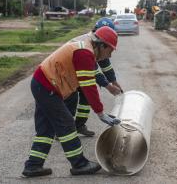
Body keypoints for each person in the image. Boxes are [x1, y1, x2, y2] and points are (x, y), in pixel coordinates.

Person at [22, 26, 121, 177]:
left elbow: (92, 77)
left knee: (46, 128)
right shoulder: (84, 53)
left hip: (42, 83)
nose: (110, 55)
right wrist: (100, 113)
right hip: (48, 86)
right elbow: (88, 87)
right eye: (110, 51)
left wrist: (108, 85)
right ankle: (79, 164)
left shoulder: (87, 50)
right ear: (102, 45)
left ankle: (33, 166)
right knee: (66, 123)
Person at [70, 17, 123, 137]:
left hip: (80, 72)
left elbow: (105, 65)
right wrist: (108, 86)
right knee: (70, 102)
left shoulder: (99, 45)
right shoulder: (87, 45)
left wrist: (113, 81)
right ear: (96, 32)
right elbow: (93, 70)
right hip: (69, 73)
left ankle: (79, 125)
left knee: (86, 97)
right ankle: (63, 130)